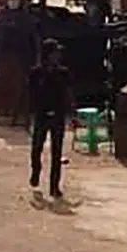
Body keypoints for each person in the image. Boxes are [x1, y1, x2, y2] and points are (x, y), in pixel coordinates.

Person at [29, 38, 73, 198]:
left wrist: (71, 113)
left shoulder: (63, 72)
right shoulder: (36, 72)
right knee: (36, 148)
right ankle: (36, 171)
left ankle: (54, 186)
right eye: (55, 52)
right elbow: (31, 94)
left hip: (58, 115)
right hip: (41, 114)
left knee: (57, 152)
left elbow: (68, 94)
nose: (58, 55)